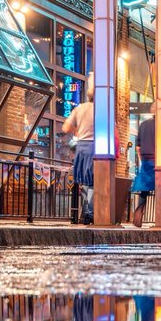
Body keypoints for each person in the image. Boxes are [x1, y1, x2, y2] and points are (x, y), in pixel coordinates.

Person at [62, 75, 95, 224]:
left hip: (81, 146)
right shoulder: (103, 110)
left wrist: (78, 129)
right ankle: (90, 211)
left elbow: (65, 127)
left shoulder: (79, 108)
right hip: (96, 147)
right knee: (94, 182)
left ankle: (87, 210)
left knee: (84, 181)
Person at [128, 112, 156, 227]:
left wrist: (142, 160)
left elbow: (138, 147)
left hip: (145, 161)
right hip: (157, 160)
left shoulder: (143, 124)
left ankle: (138, 216)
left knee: (144, 192)